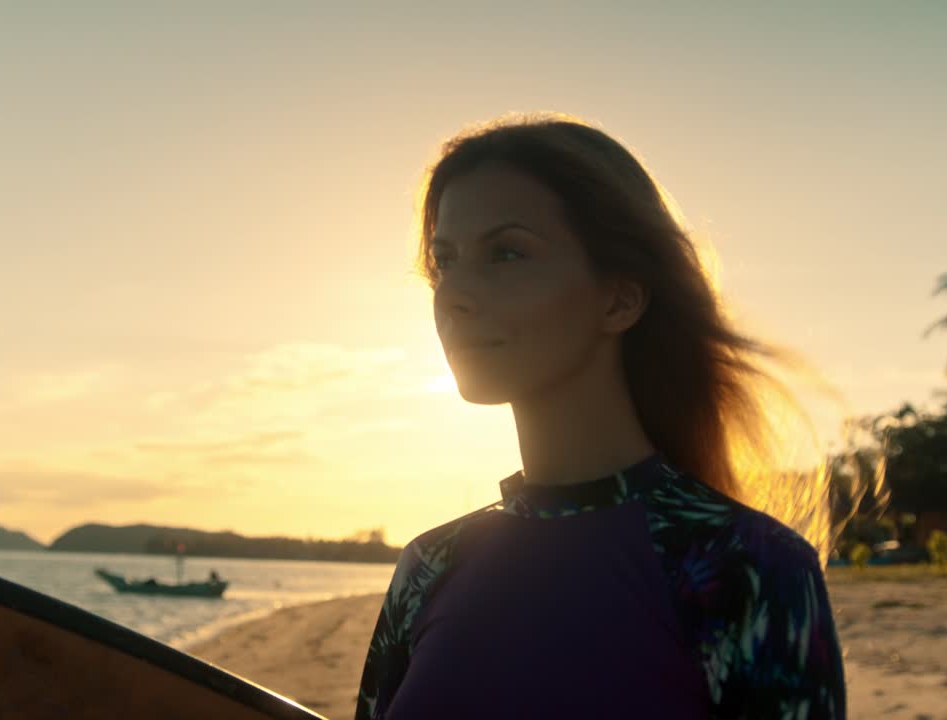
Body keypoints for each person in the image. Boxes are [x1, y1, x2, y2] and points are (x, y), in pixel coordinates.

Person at [354, 115, 847, 719]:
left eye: (506, 253)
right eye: (445, 261)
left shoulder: (742, 566)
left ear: (620, 296)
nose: (453, 294)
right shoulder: (429, 566)